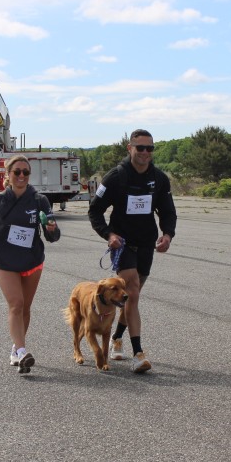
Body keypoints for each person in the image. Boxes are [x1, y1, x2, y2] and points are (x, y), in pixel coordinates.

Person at [88, 129, 177, 373]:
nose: (145, 152)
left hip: (146, 244)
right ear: (130, 148)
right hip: (123, 244)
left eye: (150, 148)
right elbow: (95, 210)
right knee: (133, 291)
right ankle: (139, 354)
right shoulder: (116, 177)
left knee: (131, 299)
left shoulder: (159, 178)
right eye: (140, 148)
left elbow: (168, 211)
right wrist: (109, 235)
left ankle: (117, 337)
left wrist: (167, 234)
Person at [0, 154, 60, 372]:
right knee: (16, 304)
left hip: (32, 260)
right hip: (4, 260)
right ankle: (23, 352)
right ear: (8, 174)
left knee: (25, 307)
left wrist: (52, 230)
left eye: (26, 172)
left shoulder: (40, 200)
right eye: (17, 172)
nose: (22, 176)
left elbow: (52, 235)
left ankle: (16, 350)